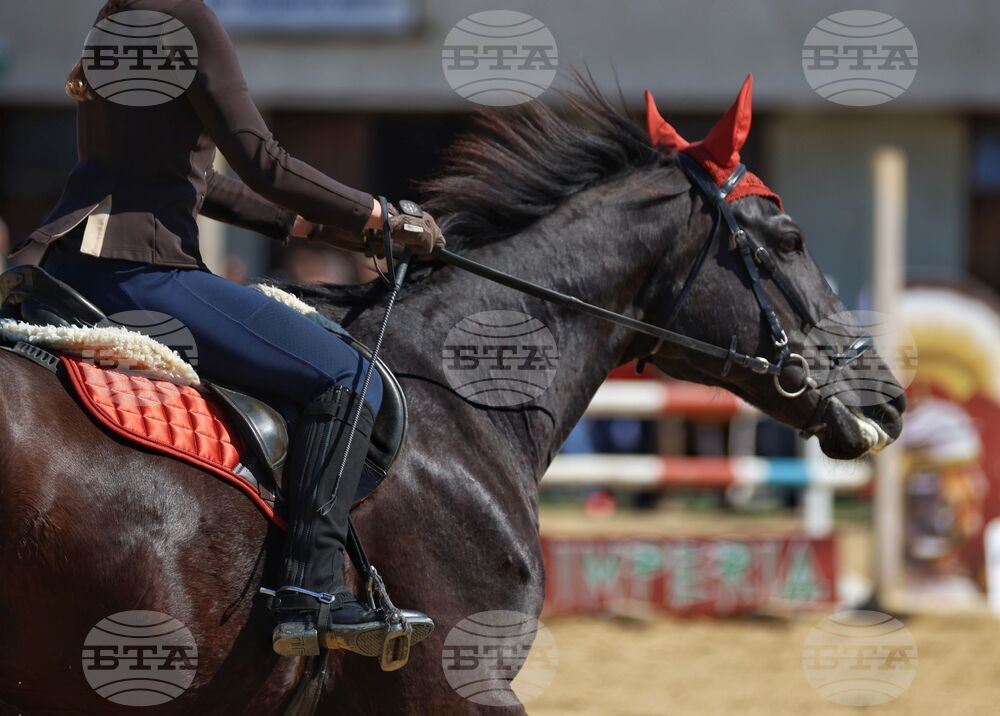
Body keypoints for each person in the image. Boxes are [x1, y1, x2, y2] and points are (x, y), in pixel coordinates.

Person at [6, 0, 444, 658]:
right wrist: (377, 215)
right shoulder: (190, 18)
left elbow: (173, 171)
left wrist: (295, 223)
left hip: (68, 264)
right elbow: (260, 158)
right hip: (145, 272)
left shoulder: (115, 15)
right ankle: (313, 593)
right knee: (347, 377)